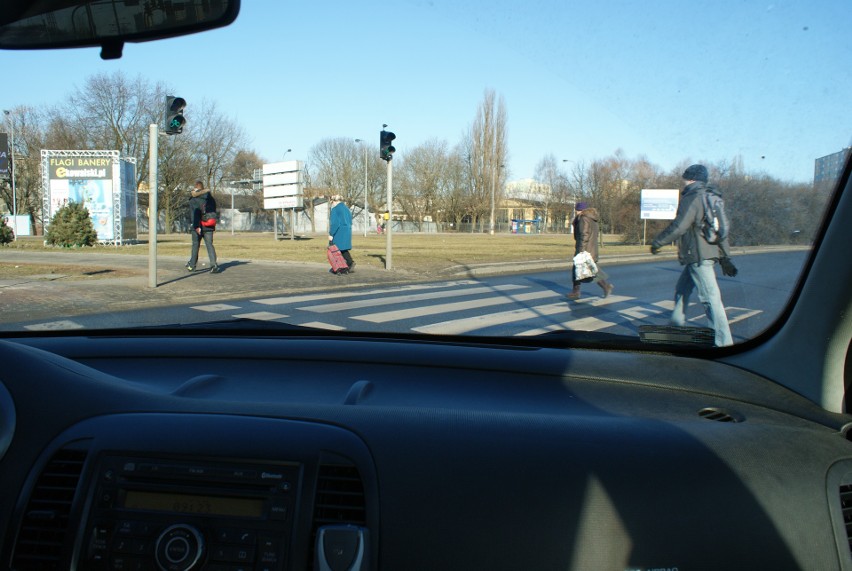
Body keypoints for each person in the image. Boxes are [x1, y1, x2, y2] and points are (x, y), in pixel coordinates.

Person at [650, 164, 734, 347]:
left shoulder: (693, 196)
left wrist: (658, 242)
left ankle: (723, 343)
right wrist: (725, 256)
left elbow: (680, 226)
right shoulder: (710, 196)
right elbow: (722, 231)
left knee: (710, 298)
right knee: (682, 290)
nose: (684, 180)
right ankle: (675, 328)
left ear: (692, 179)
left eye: (685, 177)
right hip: (705, 255)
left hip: (698, 256)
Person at [567, 201, 614, 300]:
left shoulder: (584, 219)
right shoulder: (592, 219)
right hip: (591, 249)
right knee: (585, 270)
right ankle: (576, 291)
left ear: (582, 210)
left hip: (585, 249)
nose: (577, 212)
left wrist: (581, 250)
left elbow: (584, 235)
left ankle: (605, 287)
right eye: (577, 210)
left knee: (589, 271)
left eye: (578, 210)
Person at [186, 180, 220, 274]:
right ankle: (214, 265)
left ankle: (192, 266)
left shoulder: (194, 199)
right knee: (209, 245)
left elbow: (195, 213)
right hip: (209, 225)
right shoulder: (211, 198)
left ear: (196, 188)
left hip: (198, 226)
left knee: (195, 245)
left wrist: (196, 226)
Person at [329, 194, 355, 272]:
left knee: (336, 249)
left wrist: (331, 234)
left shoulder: (335, 209)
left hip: (339, 232)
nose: (332, 204)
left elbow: (335, 223)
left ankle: (339, 266)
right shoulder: (346, 209)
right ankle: (350, 263)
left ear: (334, 201)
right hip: (347, 231)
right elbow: (350, 221)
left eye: (332, 202)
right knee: (343, 249)